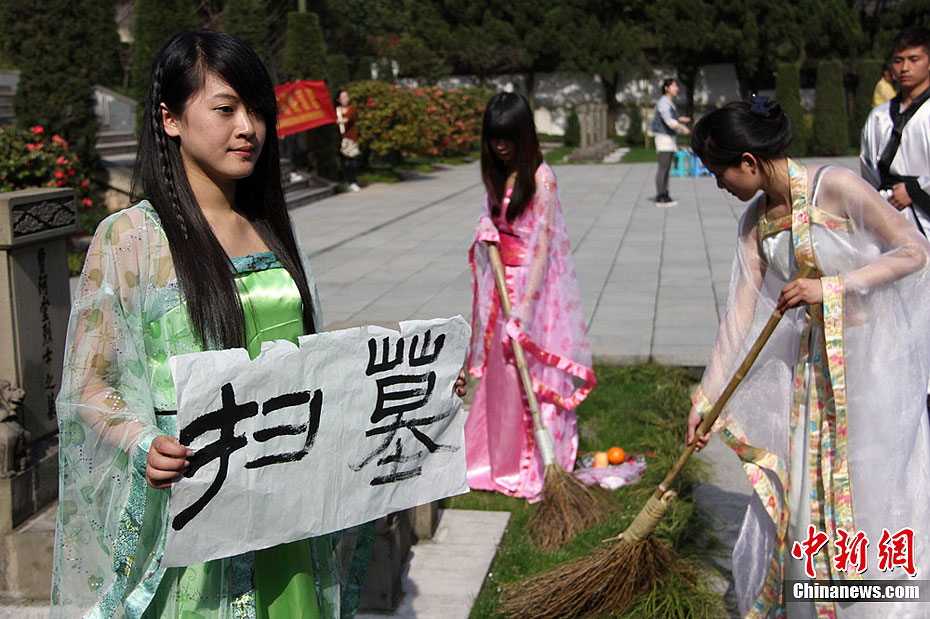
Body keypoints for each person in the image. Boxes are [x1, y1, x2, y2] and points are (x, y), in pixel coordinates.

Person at [50, 30, 374, 618]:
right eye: (225, 109)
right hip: (193, 507)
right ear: (171, 119)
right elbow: (86, 387)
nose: (248, 127)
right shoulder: (131, 240)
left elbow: (313, 365)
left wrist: (408, 384)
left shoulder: (272, 227)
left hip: (279, 497)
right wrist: (145, 442)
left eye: (257, 112)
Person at [688, 98, 930, 618]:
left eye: (719, 172)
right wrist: (706, 396)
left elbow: (913, 251)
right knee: (807, 501)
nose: (719, 185)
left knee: (869, 491)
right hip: (811, 381)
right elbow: (738, 317)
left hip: (870, 372)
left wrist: (835, 288)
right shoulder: (754, 223)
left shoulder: (835, 188)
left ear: (749, 162)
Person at [465, 92, 596, 500]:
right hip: (499, 291)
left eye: (508, 137)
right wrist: (486, 230)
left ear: (525, 135)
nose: (500, 146)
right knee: (502, 375)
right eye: (493, 138)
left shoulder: (542, 178)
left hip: (530, 293)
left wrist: (523, 310)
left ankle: (538, 460)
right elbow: (497, 226)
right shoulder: (499, 174)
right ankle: (497, 459)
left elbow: (542, 247)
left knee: (532, 374)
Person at [860, 26, 930, 236]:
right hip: (886, 211)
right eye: (898, 61)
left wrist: (915, 191)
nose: (904, 68)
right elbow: (867, 169)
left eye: (914, 59)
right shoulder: (878, 116)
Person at [651, 78, 691, 207]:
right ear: (666, 88)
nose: (677, 89)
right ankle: (660, 196)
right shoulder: (664, 102)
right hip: (664, 139)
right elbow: (668, 121)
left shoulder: (668, 102)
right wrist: (682, 127)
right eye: (674, 86)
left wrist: (680, 119)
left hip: (668, 138)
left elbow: (670, 118)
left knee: (667, 167)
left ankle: (665, 193)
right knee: (663, 168)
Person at [336, 90, 361, 192]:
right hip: (341, 139)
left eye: (347, 96)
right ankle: (346, 182)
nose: (346, 99)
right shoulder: (336, 110)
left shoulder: (352, 109)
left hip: (351, 139)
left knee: (353, 162)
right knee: (343, 162)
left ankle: (353, 181)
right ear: (338, 99)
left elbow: (350, 118)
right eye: (343, 97)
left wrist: (342, 121)